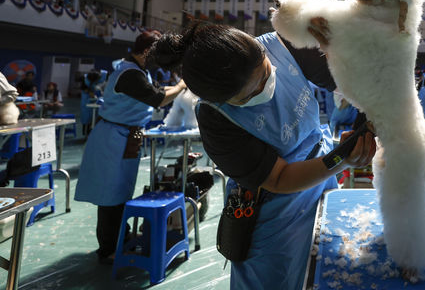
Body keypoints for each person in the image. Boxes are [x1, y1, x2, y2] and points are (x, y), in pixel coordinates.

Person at [147, 23, 375, 290]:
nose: (265, 88)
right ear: (224, 101)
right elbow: (279, 178)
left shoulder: (284, 44)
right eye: (252, 94)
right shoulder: (215, 119)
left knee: (320, 270)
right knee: (278, 278)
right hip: (275, 212)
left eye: (266, 72)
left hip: (321, 183)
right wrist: (341, 159)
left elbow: (348, 81)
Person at [74, 31, 187, 264]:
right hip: (113, 137)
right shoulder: (128, 74)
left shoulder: (138, 70)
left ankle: (120, 237)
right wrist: (183, 85)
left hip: (128, 135)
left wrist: (175, 86)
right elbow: (159, 99)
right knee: (110, 196)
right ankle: (108, 249)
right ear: (147, 52)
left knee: (122, 191)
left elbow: (158, 91)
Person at [80, 69, 108, 136]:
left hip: (97, 99)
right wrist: (92, 94)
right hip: (86, 99)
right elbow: (87, 90)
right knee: (86, 116)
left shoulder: (105, 75)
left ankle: (95, 132)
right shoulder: (85, 80)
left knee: (96, 115)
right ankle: (86, 132)